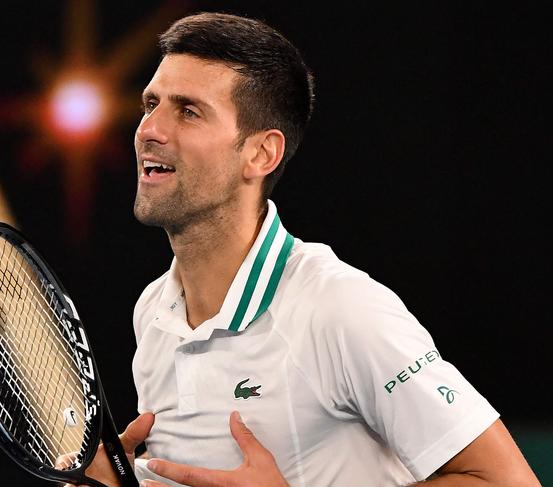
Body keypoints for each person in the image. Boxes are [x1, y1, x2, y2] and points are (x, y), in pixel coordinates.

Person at [70, 11, 541, 487]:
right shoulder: (152, 311)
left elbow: (508, 482)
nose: (150, 129)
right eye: (151, 103)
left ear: (261, 154)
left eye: (188, 111)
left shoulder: (340, 309)